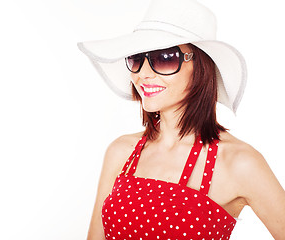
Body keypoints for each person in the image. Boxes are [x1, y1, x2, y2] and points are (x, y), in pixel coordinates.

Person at [78, 0, 285, 239]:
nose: (144, 73)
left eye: (165, 57)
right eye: (137, 58)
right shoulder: (121, 152)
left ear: (201, 67)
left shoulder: (239, 162)